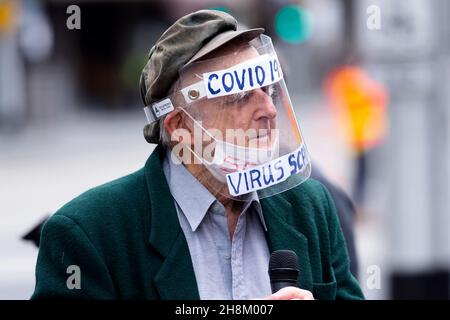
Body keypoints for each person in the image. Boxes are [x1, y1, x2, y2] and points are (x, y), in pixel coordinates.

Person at [31, 10, 364, 300]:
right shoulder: (91, 233)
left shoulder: (311, 205)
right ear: (180, 127)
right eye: (242, 94)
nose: (268, 109)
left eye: (270, 89)